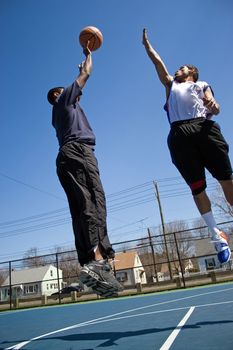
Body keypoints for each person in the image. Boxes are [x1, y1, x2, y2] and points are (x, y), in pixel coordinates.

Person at [142, 28, 233, 264]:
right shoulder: (171, 85)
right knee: (197, 188)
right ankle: (217, 235)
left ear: (192, 72)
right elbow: (158, 63)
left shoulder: (201, 84)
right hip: (179, 135)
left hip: (205, 129)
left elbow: (216, 107)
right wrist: (147, 47)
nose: (177, 69)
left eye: (183, 67)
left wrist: (213, 104)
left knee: (227, 181)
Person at [47, 45, 123, 297]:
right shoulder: (64, 101)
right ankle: (98, 261)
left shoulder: (63, 112)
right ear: (60, 94)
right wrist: (88, 54)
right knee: (93, 204)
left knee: (82, 208)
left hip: (68, 156)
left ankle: (92, 264)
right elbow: (87, 73)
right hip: (78, 153)